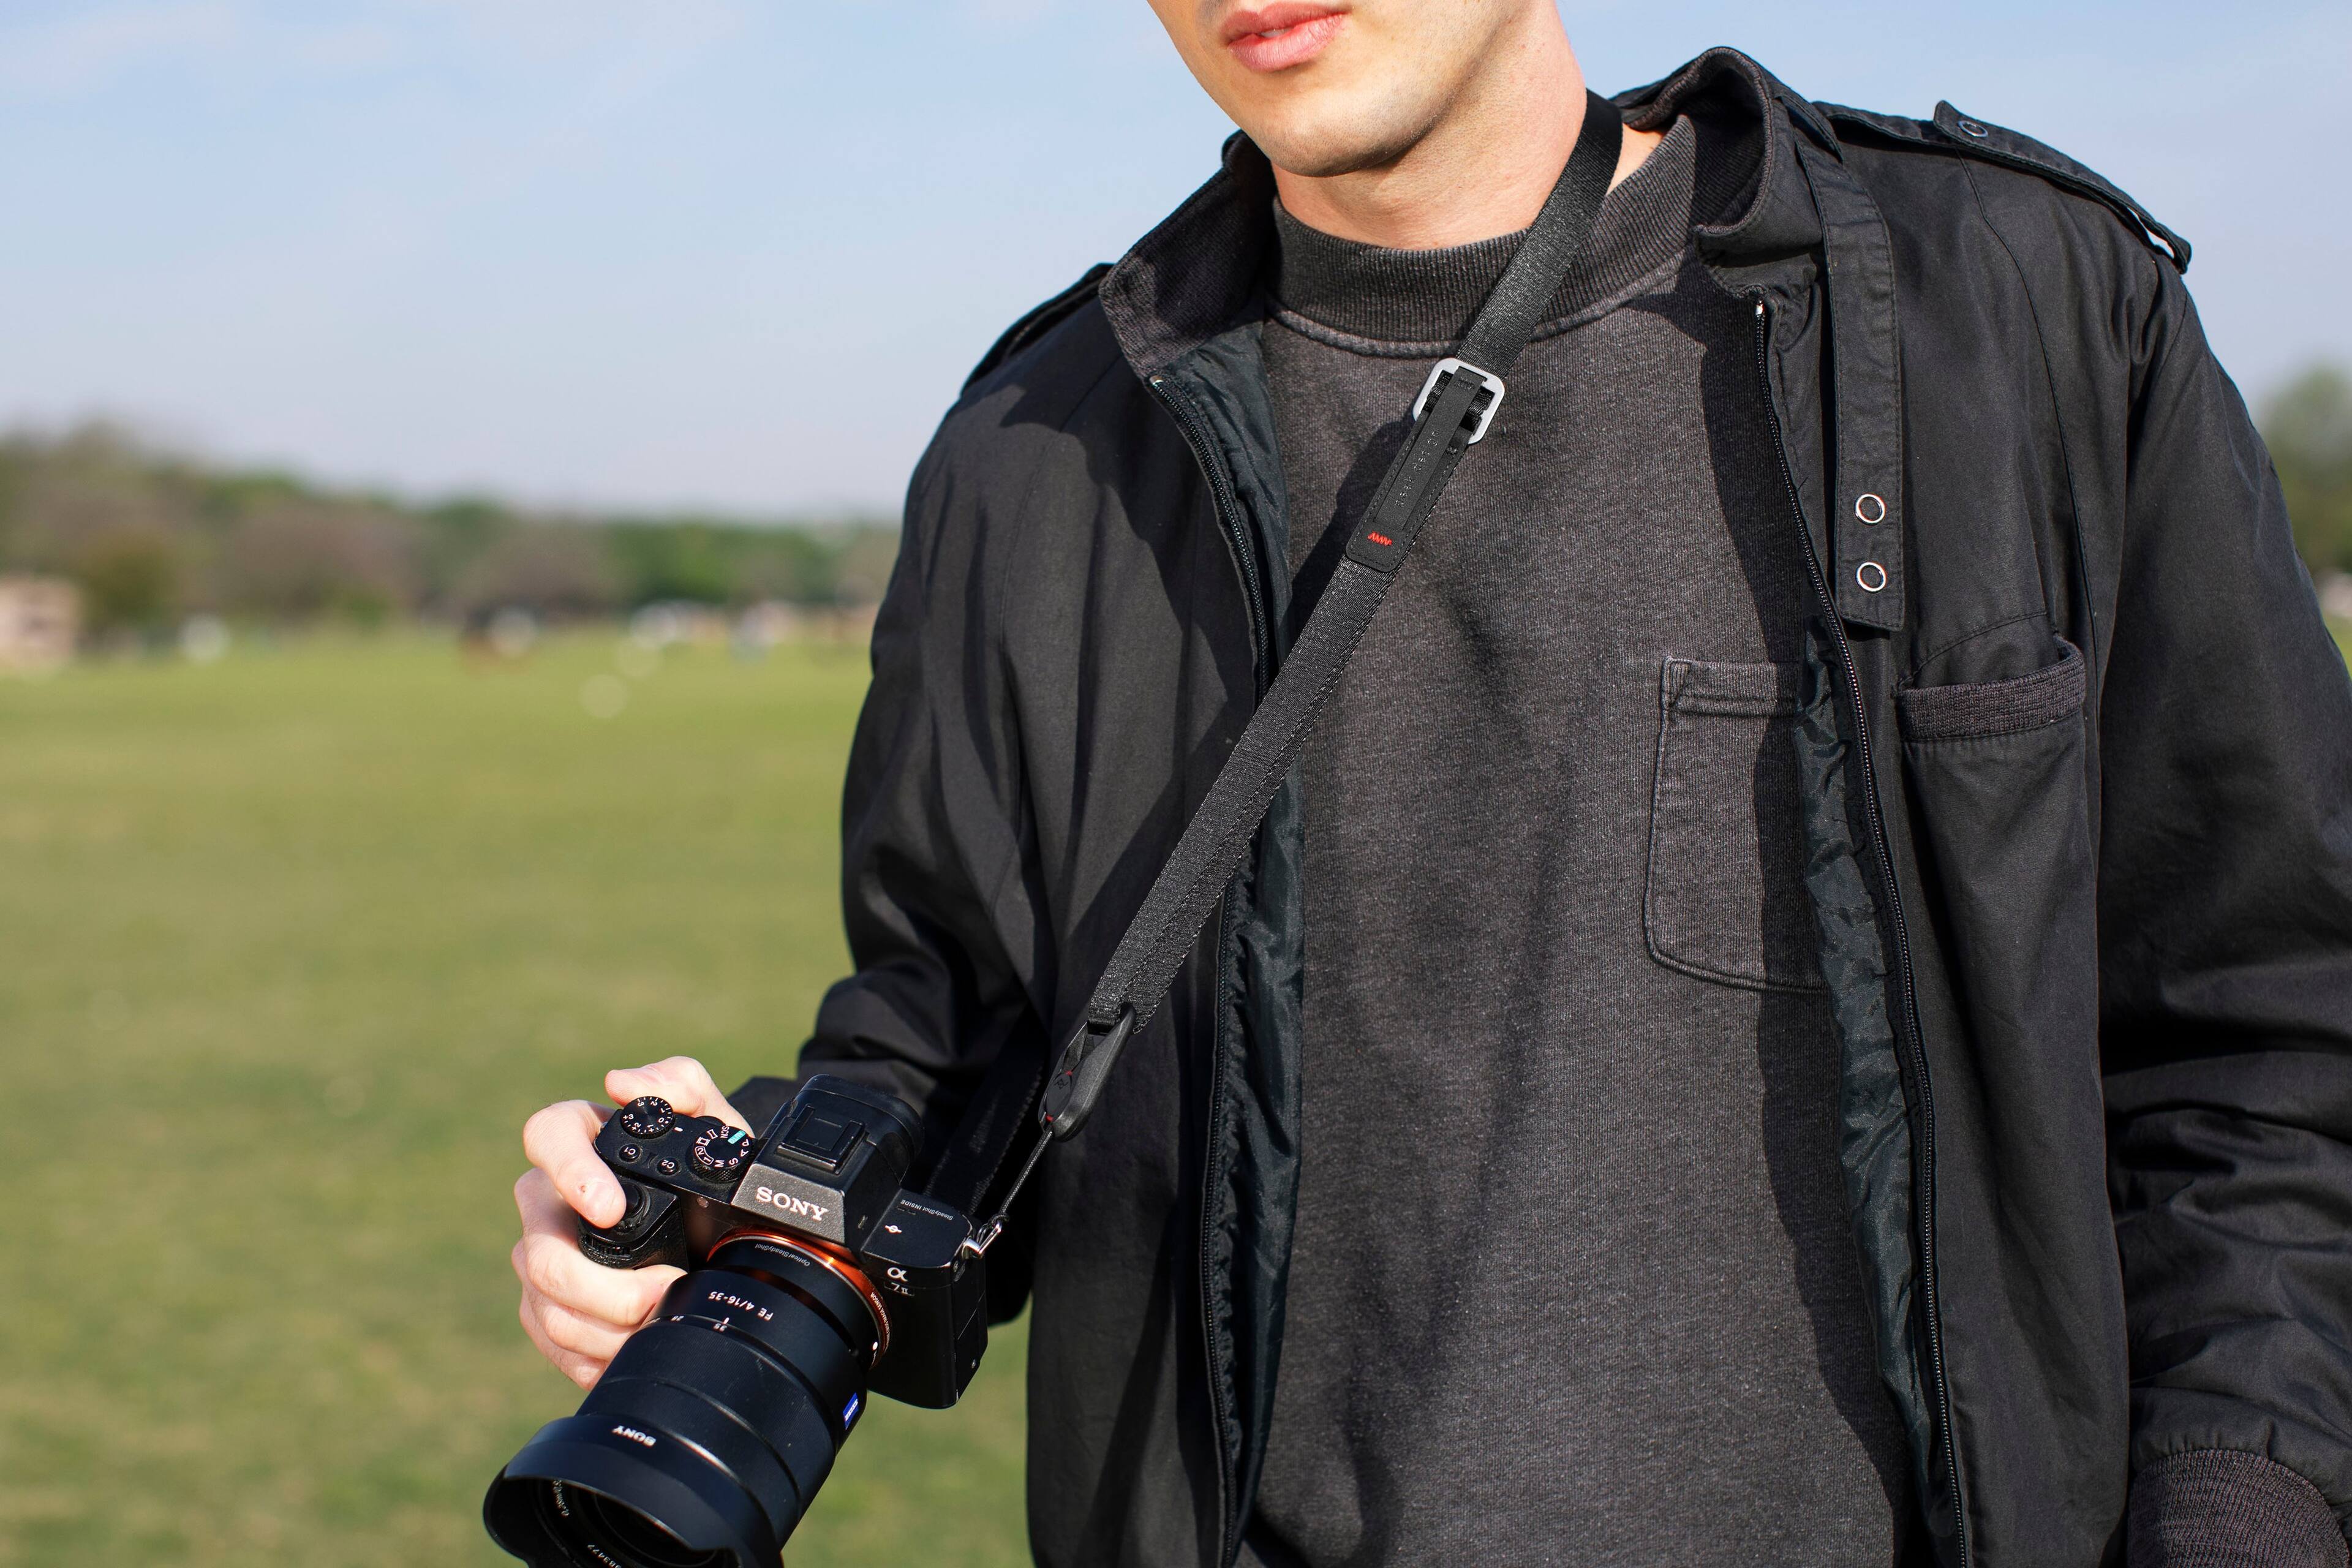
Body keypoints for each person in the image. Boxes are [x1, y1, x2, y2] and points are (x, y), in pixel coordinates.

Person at [509, 4, 2352, 1564]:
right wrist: (755, 1201)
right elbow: (957, 1047)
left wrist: (2245, 1517)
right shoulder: (1037, 452)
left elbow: (2274, 1042)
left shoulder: (2018, 317)